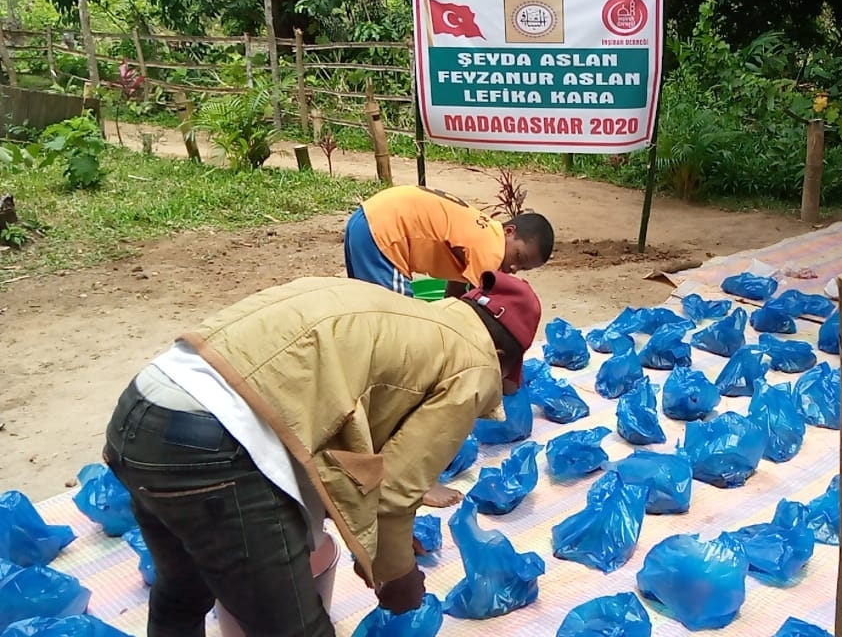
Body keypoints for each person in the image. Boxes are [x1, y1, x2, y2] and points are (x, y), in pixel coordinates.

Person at [103, 271, 541, 637]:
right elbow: (394, 493)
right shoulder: (475, 364)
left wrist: (381, 536)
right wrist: (397, 577)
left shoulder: (406, 316)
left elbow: (348, 435)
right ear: (501, 355)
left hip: (142, 413)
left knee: (183, 593)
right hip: (214, 443)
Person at [344, 184, 555, 296]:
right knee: (398, 318)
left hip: (367, 218)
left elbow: (456, 292)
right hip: (385, 230)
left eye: (523, 268)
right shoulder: (491, 249)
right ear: (509, 231)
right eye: (518, 256)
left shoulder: (480, 235)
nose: (514, 268)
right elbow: (483, 306)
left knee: (367, 308)